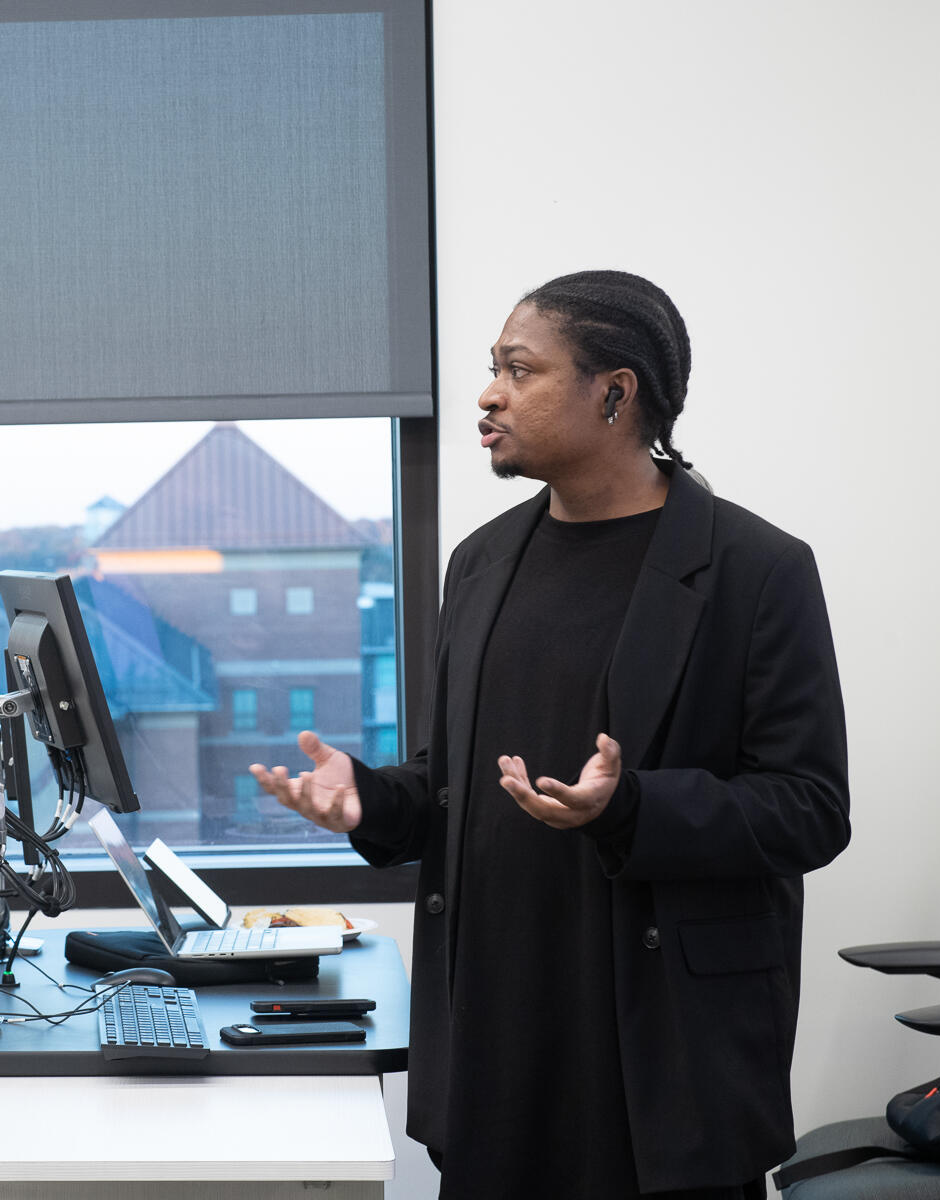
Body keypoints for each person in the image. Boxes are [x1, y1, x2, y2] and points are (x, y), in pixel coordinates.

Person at [252, 270, 850, 1199]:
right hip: (496, 1045)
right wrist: (371, 798)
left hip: (663, 1063)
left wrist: (633, 806)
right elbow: (453, 786)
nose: (488, 394)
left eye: (519, 370)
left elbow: (811, 810)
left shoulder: (756, 569)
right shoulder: (482, 560)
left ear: (615, 393)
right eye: (493, 368)